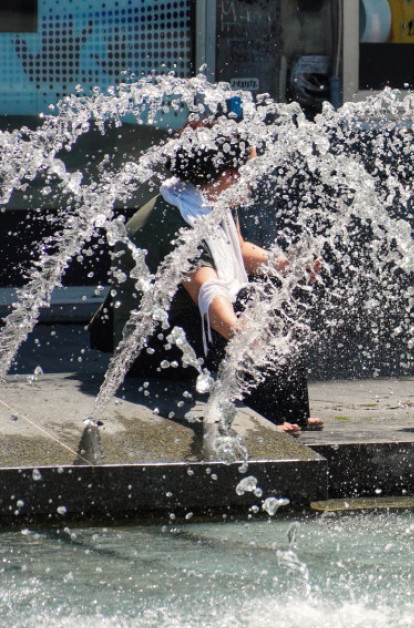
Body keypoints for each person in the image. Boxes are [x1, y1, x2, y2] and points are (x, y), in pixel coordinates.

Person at [90, 120, 323, 434]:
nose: (256, 179)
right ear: (229, 175)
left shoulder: (210, 193)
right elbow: (210, 293)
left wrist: (286, 264)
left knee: (269, 300)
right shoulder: (178, 221)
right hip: (151, 349)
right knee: (249, 308)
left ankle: (291, 408)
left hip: (182, 320)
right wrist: (243, 330)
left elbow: (238, 250)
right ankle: (266, 420)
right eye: (252, 170)